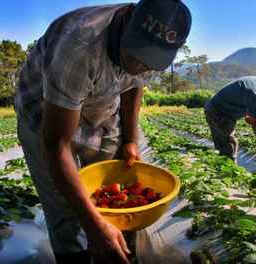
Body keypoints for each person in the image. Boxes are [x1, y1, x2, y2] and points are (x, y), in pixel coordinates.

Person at [14, 0, 191, 263]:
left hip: (101, 110)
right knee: (65, 206)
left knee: (113, 183)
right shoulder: (79, 43)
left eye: (148, 61)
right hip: (44, 114)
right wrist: (93, 224)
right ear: (127, 17)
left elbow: (134, 85)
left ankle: (118, 249)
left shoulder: (149, 57)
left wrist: (130, 139)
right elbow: (56, 144)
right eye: (134, 54)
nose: (138, 66)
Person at [204, 75, 256, 162]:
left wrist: (248, 115)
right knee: (229, 145)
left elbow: (239, 97)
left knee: (224, 143)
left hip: (220, 111)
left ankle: (223, 164)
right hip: (218, 113)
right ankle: (229, 171)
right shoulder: (254, 93)